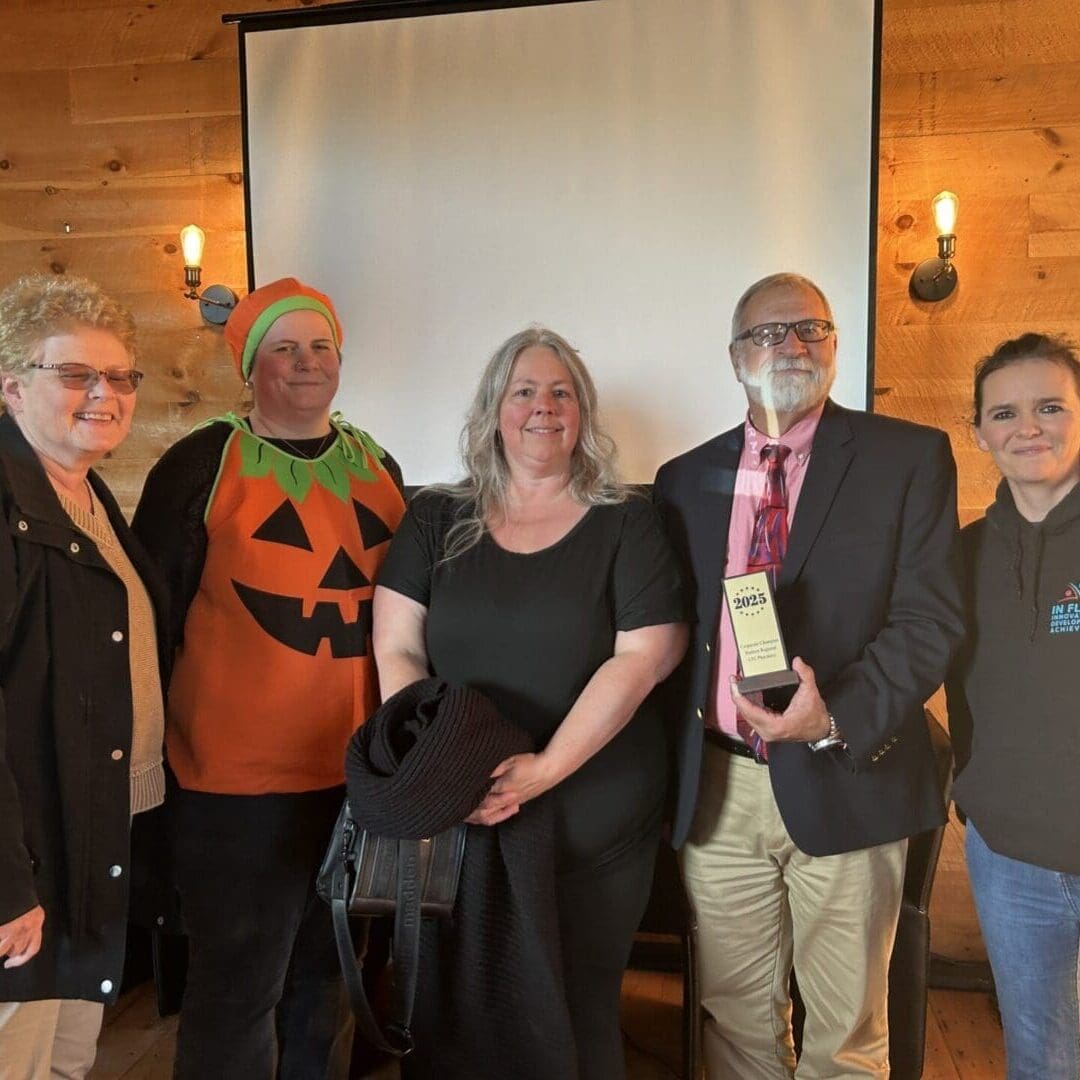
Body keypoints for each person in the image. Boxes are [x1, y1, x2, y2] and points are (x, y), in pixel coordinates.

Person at [653, 272, 964, 1079]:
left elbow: (930, 621)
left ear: (834, 345)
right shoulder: (682, 481)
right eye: (768, 333)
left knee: (847, 1037)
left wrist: (832, 720)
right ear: (735, 358)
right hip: (720, 792)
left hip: (849, 772)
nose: (791, 346)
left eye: (810, 330)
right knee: (735, 1025)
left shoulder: (907, 457)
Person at [373, 326, 687, 1079]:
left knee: (579, 1012)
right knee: (454, 1014)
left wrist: (544, 770)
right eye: (524, 391)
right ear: (494, 409)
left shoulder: (628, 520)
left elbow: (645, 656)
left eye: (561, 392)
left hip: (593, 816)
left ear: (581, 412)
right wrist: (439, 773)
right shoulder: (434, 518)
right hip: (462, 811)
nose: (543, 408)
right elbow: (396, 647)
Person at [132, 277, 406, 1079]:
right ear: (250, 366)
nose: (306, 363)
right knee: (238, 986)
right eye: (283, 349)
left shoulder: (375, 463)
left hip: (352, 778)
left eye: (320, 346)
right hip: (234, 785)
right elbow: (155, 615)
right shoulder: (200, 464)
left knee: (327, 978)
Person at [0, 274, 167, 1079]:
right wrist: (5, 888)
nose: (105, 394)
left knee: (67, 1060)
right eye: (76, 375)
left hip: (86, 830)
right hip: (25, 856)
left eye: (120, 377)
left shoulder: (86, 493)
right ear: (11, 386)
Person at [945, 333, 1080, 1080]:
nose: (1028, 427)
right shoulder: (961, 555)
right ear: (980, 432)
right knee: (1043, 1062)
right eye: (1005, 412)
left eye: (1050, 406)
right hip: (1011, 862)